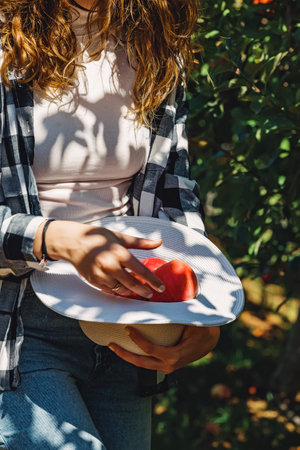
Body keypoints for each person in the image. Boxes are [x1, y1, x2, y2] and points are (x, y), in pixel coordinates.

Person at [0, 0, 220, 448]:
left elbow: (173, 185)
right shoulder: (7, 44)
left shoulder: (153, 42)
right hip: (19, 323)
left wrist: (199, 310)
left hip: (130, 321)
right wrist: (54, 237)